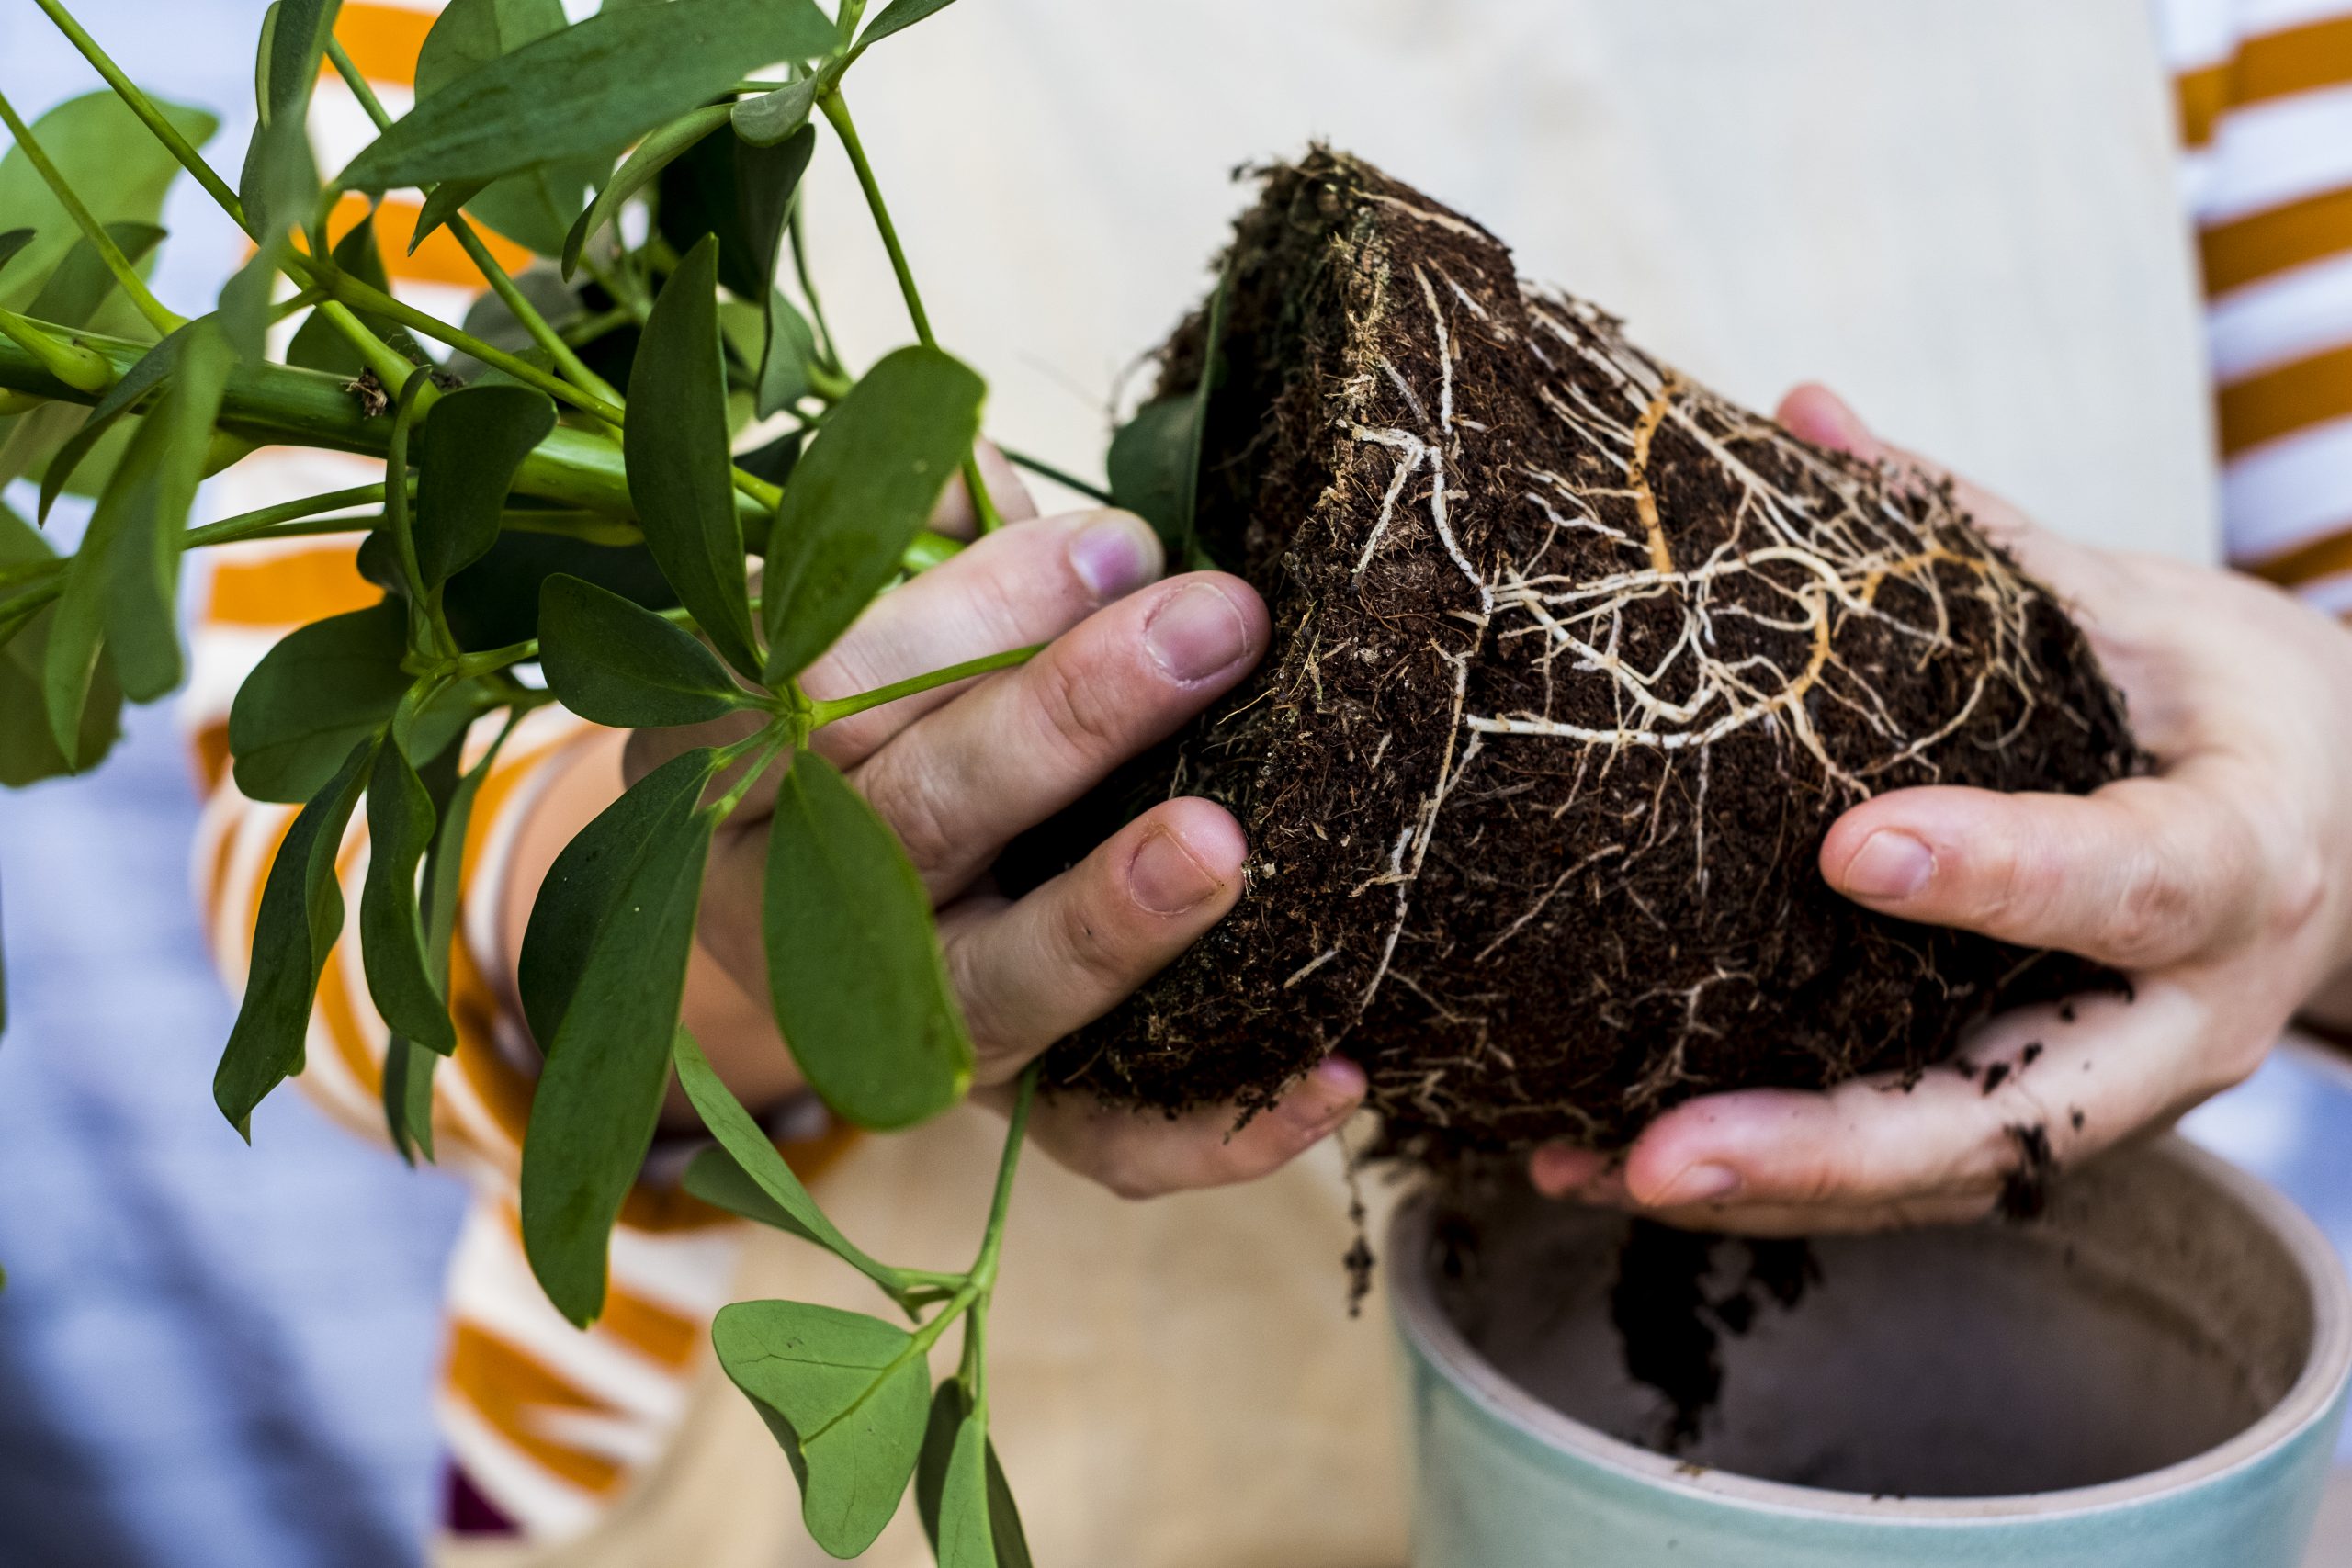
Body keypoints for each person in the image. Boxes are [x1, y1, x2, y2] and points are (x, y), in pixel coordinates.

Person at [179, 1, 2352, 1562]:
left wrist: (2318, 833)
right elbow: (322, 833)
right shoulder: (482, 48)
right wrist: (734, 919)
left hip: (1994, 1462)